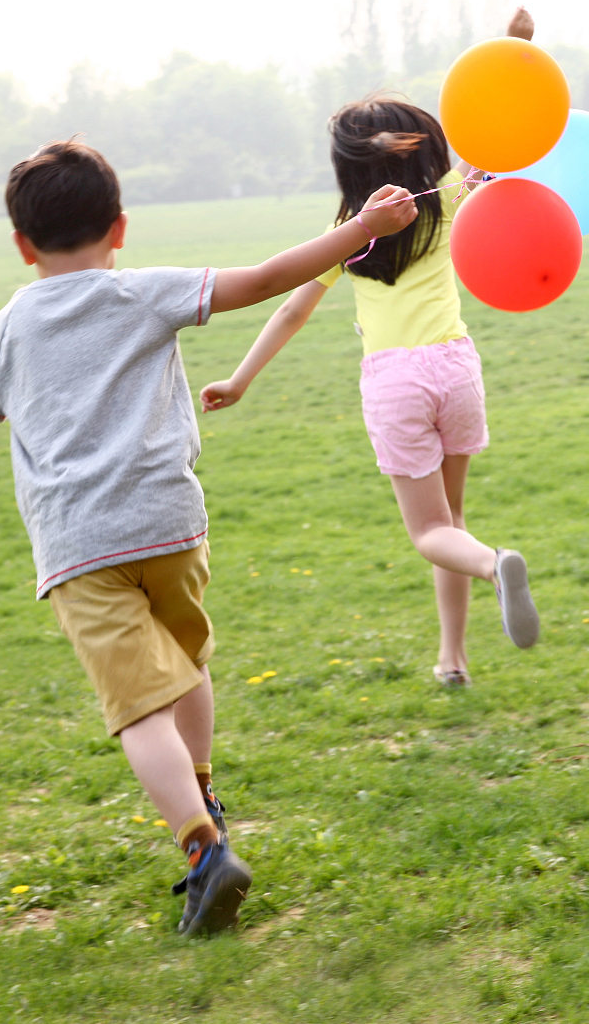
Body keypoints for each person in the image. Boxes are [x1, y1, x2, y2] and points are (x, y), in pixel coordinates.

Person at [0, 139, 416, 935]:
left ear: (22, 244)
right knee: (186, 663)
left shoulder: (8, 326)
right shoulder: (143, 291)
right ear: (119, 227)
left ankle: (203, 848)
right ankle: (206, 795)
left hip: (81, 546)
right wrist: (361, 227)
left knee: (138, 708)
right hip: (169, 524)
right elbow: (265, 278)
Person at [200, 92, 542, 688]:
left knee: (431, 533)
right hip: (456, 369)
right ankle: (453, 660)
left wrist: (239, 379)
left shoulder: (347, 234)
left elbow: (291, 312)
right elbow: (489, 147)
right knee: (452, 518)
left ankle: (494, 566)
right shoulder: (448, 201)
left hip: (395, 384)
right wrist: (516, 63)